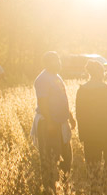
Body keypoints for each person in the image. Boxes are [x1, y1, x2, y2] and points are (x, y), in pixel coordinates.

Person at [74, 60, 107, 187]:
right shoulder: (106, 90)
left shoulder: (82, 91)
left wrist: (83, 133)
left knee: (92, 161)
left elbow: (79, 114)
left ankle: (94, 187)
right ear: (101, 73)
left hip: (90, 133)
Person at [31, 51, 75, 187]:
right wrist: (50, 123)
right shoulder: (42, 79)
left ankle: (64, 186)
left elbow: (62, 98)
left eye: (58, 59)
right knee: (51, 157)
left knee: (66, 157)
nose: (58, 62)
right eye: (54, 60)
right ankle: (50, 189)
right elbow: (43, 102)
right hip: (49, 124)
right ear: (47, 63)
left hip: (61, 122)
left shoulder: (56, 77)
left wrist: (70, 117)